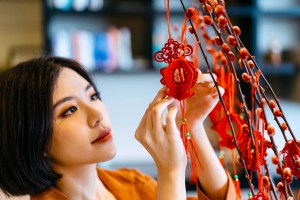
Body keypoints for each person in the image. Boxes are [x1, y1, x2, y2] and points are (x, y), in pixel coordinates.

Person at [0, 56, 237, 200]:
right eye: (69, 110)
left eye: (93, 97)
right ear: (32, 138)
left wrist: (192, 124)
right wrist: (171, 172)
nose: (97, 115)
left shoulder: (131, 184)